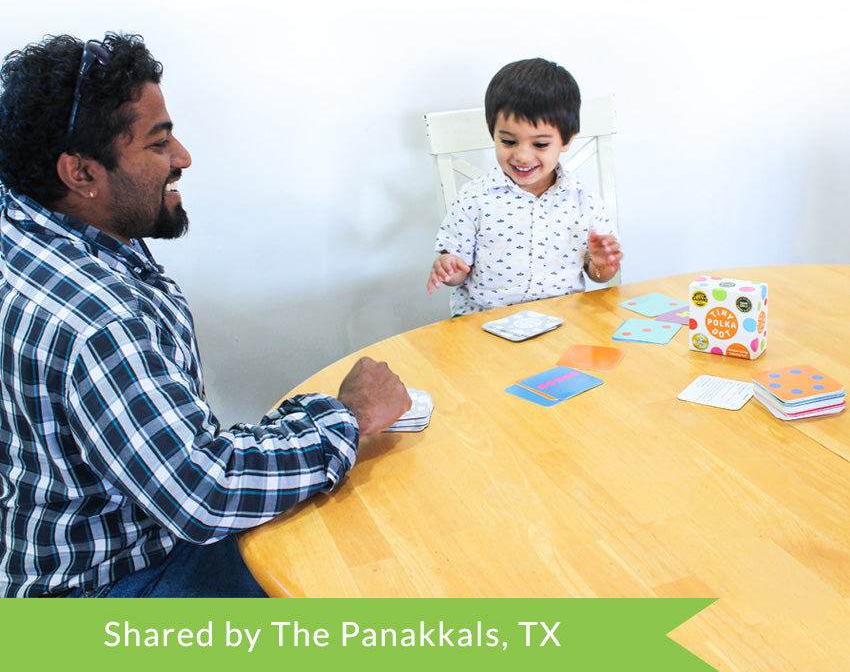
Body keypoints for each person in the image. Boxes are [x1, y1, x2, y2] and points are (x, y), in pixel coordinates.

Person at [0, 32, 411, 598]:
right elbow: (204, 492)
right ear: (81, 173)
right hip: (110, 589)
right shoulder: (97, 320)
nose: (183, 158)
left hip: (64, 549)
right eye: (157, 143)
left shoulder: (25, 220)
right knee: (369, 591)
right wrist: (349, 416)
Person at [427, 57, 623, 316]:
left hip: (561, 324)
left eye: (540, 145)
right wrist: (447, 267)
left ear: (566, 140)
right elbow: (456, 277)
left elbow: (599, 277)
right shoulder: (475, 198)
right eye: (508, 141)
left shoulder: (583, 201)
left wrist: (601, 264)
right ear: (493, 133)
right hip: (484, 325)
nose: (522, 156)